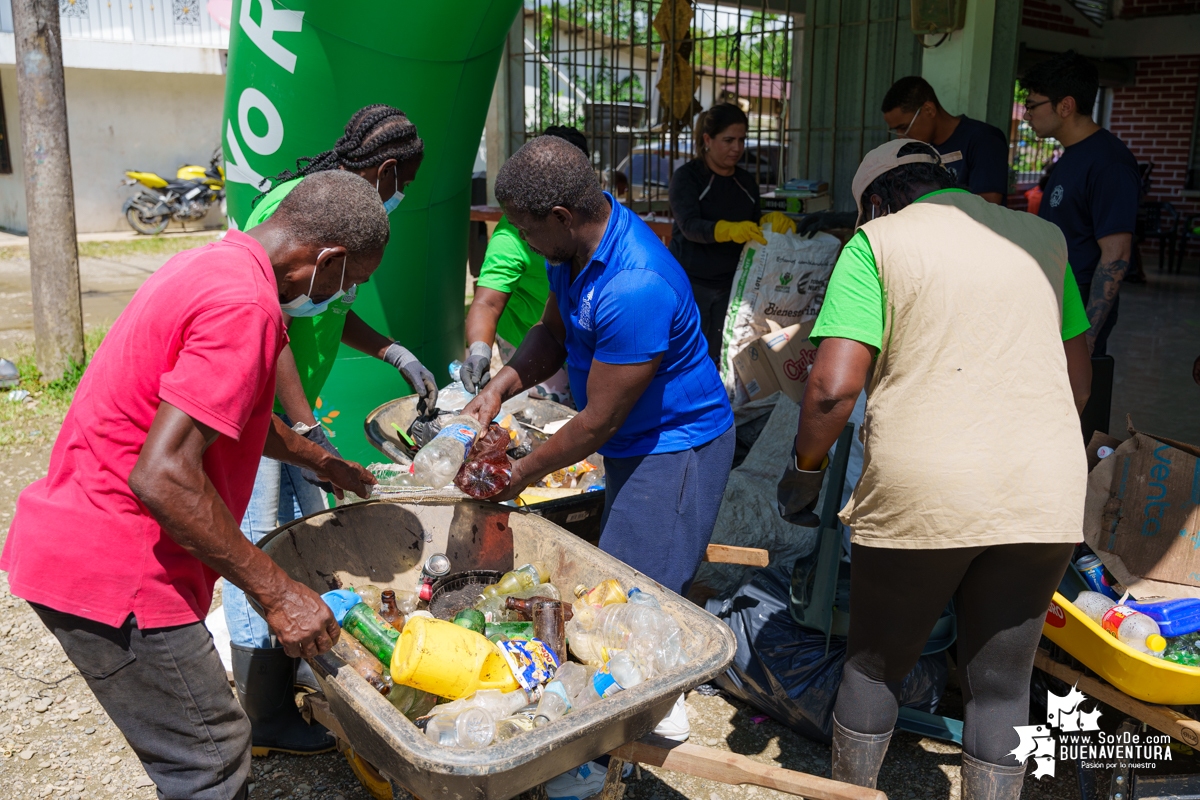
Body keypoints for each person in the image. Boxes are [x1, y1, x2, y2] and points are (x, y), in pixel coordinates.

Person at [0, 170, 385, 800]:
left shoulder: (220, 263)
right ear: (329, 259)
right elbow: (163, 475)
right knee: (208, 758)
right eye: (352, 283)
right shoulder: (246, 308)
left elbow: (231, 414)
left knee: (202, 747)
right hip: (117, 567)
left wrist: (321, 460)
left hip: (83, 536)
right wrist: (278, 592)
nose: (346, 298)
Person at [776, 140, 1092, 799]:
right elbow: (1078, 383)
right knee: (1001, 687)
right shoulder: (1044, 239)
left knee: (873, 669)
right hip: (1043, 488)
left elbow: (832, 390)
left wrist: (805, 471)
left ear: (876, 202)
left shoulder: (878, 243)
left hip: (925, 490)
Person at [463, 136, 735, 762]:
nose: (523, 243)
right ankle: (624, 715)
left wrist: (519, 473)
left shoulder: (635, 283)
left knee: (634, 598)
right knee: (620, 589)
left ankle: (644, 724)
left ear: (560, 218)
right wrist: (503, 384)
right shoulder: (574, 250)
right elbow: (554, 332)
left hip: (675, 448)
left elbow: (598, 422)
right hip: (634, 442)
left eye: (529, 232)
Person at [222, 105, 438, 756]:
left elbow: (332, 307)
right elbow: (276, 323)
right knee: (262, 541)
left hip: (289, 408)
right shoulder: (302, 208)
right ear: (388, 171)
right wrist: (304, 424)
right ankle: (261, 717)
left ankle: (283, 685)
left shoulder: (347, 224)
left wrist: (392, 351)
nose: (402, 200)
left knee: (302, 536)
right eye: (404, 187)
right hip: (262, 406)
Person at [1021, 51, 1139, 356]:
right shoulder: (1071, 156)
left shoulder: (1109, 163)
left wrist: (1088, 335)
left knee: (1077, 402)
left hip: (1079, 310)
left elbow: (1117, 255)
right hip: (1054, 300)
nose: (1026, 115)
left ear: (1065, 105)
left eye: (1032, 105)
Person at [461, 125, 586, 404]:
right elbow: (487, 303)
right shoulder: (513, 236)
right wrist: (480, 351)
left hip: (575, 338)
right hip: (530, 340)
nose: (527, 239)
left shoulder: (594, 229)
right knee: (546, 418)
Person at [668, 103, 797, 362]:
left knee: (721, 356)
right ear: (707, 139)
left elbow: (752, 225)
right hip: (691, 283)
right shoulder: (688, 177)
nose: (737, 148)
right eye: (728, 140)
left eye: (741, 140)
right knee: (686, 356)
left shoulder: (746, 181)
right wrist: (727, 229)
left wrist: (769, 224)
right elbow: (690, 226)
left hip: (734, 285)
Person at [881, 76, 1009, 204]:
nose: (900, 137)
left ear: (929, 110)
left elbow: (987, 207)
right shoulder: (919, 149)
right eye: (895, 131)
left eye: (904, 127)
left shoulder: (984, 140)